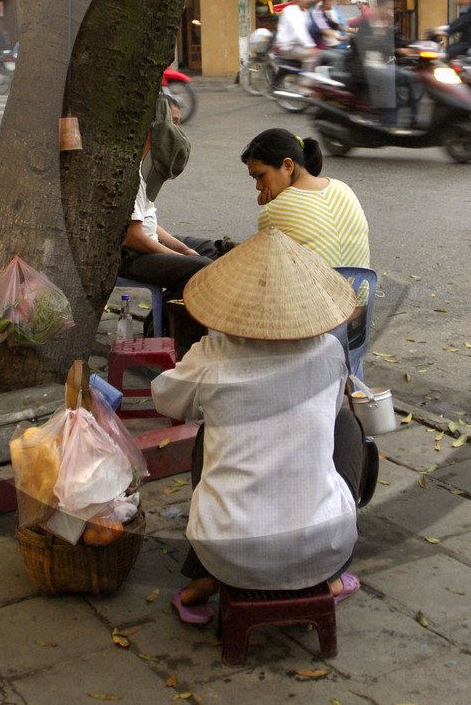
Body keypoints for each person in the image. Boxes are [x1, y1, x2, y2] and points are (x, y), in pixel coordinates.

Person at [154, 229, 365, 624]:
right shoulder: (330, 352)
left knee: (207, 438)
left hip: (226, 552)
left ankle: (203, 579)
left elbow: (165, 398)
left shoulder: (213, 355)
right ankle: (332, 581)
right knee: (347, 429)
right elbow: (329, 411)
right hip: (323, 547)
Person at [118, 95, 221, 340]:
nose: (177, 133)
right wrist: (178, 256)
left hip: (147, 243)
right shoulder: (132, 173)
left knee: (214, 250)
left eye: (178, 123)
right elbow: (132, 237)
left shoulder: (148, 169)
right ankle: (169, 331)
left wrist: (183, 248)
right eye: (170, 124)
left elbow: (147, 220)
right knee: (201, 268)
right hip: (131, 255)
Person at [241, 129, 368, 268]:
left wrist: (273, 205)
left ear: (287, 166)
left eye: (261, 175)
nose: (258, 186)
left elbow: (268, 270)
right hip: (361, 288)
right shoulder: (343, 188)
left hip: (317, 289)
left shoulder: (274, 210)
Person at [275, 0, 320, 69]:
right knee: (312, 56)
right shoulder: (291, 11)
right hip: (288, 47)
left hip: (298, 45)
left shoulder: (305, 13)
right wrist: (310, 46)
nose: (307, 0)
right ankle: (306, 81)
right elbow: (298, 32)